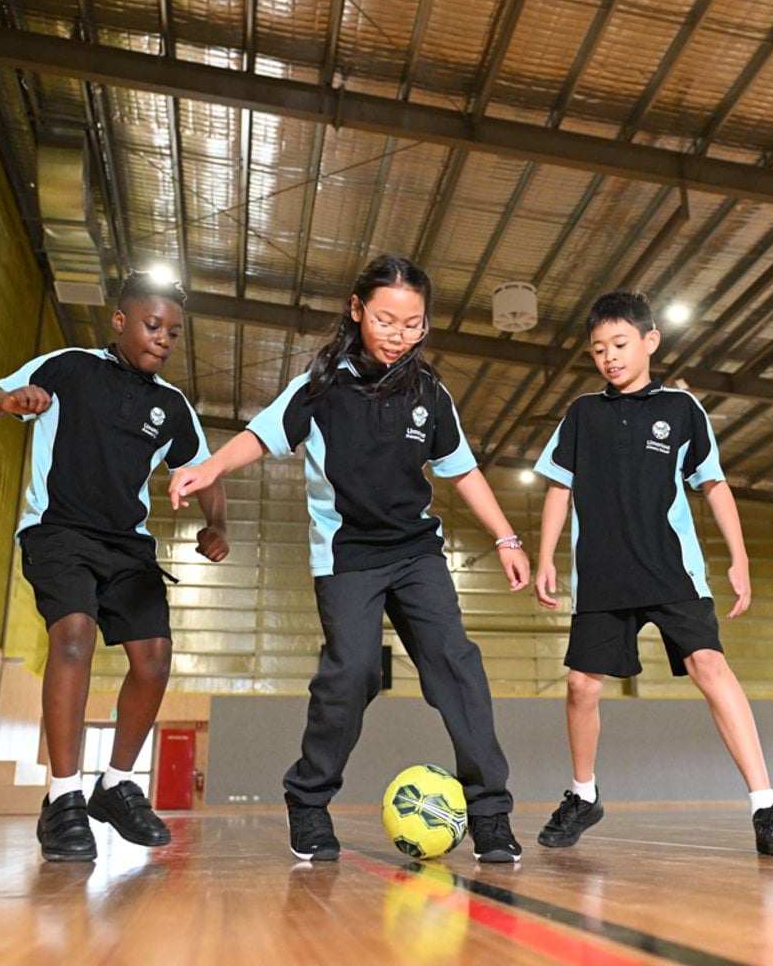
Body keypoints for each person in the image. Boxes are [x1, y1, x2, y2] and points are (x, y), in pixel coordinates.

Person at [169, 255, 528, 863]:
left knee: (456, 666)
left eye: (413, 324)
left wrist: (506, 538)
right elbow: (263, 433)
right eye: (386, 320)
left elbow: (461, 467)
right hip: (347, 556)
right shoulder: (322, 384)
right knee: (353, 673)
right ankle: (308, 801)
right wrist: (209, 467)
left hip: (416, 553)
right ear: (357, 310)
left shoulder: (429, 391)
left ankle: (490, 811)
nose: (399, 335)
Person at [530, 290, 773, 857]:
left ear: (649, 341)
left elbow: (713, 483)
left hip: (671, 571)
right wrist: (544, 557)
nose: (609, 357)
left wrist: (740, 556)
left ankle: (767, 808)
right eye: (598, 350)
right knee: (581, 686)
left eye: (619, 344)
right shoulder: (582, 413)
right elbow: (559, 487)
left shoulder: (683, 411)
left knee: (710, 665)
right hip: (602, 577)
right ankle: (583, 795)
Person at [0, 271, 229, 862]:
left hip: (127, 545)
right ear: (120, 321)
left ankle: (114, 784)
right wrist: (11, 400)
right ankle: (63, 798)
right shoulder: (70, 366)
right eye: (152, 325)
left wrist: (218, 524)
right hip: (58, 532)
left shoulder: (172, 406)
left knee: (154, 658)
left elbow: (204, 473)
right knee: (73, 638)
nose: (163, 338)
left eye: (173, 332)